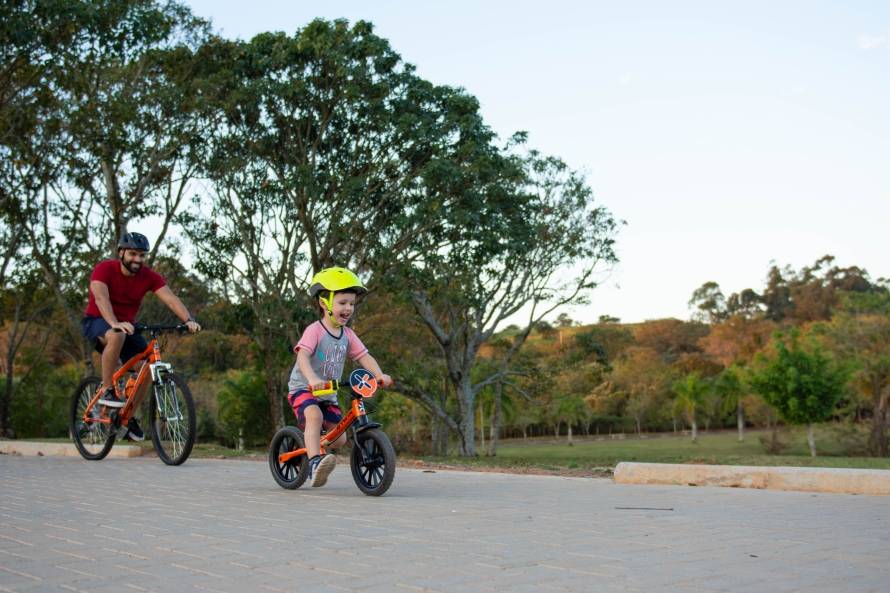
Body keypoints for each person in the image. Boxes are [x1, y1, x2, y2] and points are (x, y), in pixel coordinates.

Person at [82, 232, 201, 440]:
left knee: (147, 367)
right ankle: (108, 390)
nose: (137, 259)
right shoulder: (104, 269)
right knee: (117, 335)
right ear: (121, 253)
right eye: (133, 254)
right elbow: (101, 299)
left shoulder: (148, 276)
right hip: (98, 321)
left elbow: (170, 299)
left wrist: (188, 319)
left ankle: (127, 418)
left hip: (129, 327)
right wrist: (114, 323)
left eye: (141, 255)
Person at [287, 267, 391, 487]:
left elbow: (365, 356)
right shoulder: (315, 331)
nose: (348, 308)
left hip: (329, 394)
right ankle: (315, 463)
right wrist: (312, 379)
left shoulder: (348, 335)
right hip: (304, 388)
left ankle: (313, 445)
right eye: (342, 303)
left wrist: (379, 374)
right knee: (314, 416)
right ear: (325, 304)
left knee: (340, 438)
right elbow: (302, 357)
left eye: (352, 304)